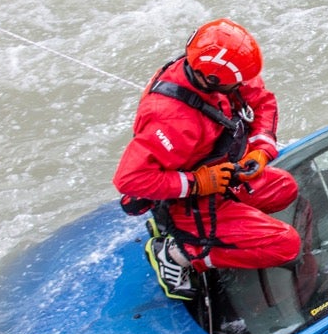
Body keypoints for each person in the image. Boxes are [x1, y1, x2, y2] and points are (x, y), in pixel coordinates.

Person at [114, 18, 302, 301]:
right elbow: (130, 180)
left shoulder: (215, 73)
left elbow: (262, 102)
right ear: (211, 79)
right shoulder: (172, 119)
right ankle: (178, 254)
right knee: (285, 245)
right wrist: (198, 183)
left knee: (284, 188)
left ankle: (178, 230)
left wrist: (260, 151)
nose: (244, 85)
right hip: (193, 199)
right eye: (236, 82)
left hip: (220, 175)